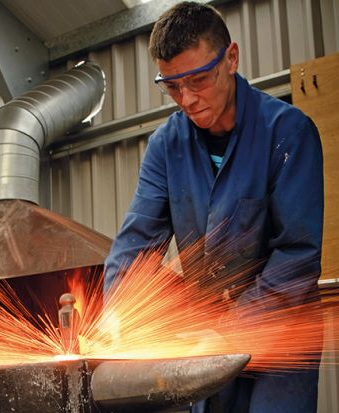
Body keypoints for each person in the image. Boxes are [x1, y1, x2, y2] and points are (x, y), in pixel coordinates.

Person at [103, 2, 324, 412]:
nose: (186, 99)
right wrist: (117, 314)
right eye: (171, 86)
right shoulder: (165, 148)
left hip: (281, 335)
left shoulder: (289, 133)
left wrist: (233, 330)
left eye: (199, 79)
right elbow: (136, 243)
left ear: (231, 58)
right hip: (207, 335)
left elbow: (298, 255)